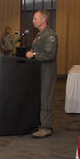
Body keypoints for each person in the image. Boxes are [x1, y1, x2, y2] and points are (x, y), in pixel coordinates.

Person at [26, 10, 58, 139]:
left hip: (47, 70)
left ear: (43, 20)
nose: (33, 21)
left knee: (46, 97)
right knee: (39, 97)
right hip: (38, 69)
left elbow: (50, 54)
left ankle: (46, 127)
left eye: (35, 19)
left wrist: (33, 54)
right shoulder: (40, 35)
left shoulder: (50, 34)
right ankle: (39, 123)